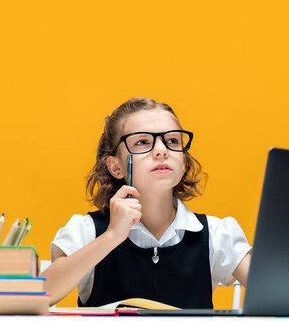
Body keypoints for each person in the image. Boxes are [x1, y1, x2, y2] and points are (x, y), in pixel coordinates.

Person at [42, 97, 251, 308]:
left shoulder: (215, 234)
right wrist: (112, 236)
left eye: (172, 141)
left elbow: (275, 295)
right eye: (142, 142)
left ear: (184, 160)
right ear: (116, 167)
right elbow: (43, 294)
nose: (162, 151)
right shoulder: (87, 230)